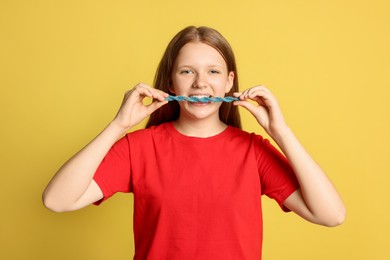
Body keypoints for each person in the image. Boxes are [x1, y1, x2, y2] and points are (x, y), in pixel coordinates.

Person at [43, 26, 346, 259]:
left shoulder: (253, 151)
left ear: (228, 82)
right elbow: (57, 200)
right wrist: (118, 125)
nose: (200, 83)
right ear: (171, 83)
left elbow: (331, 215)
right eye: (187, 71)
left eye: (212, 72)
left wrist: (281, 132)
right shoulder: (140, 148)